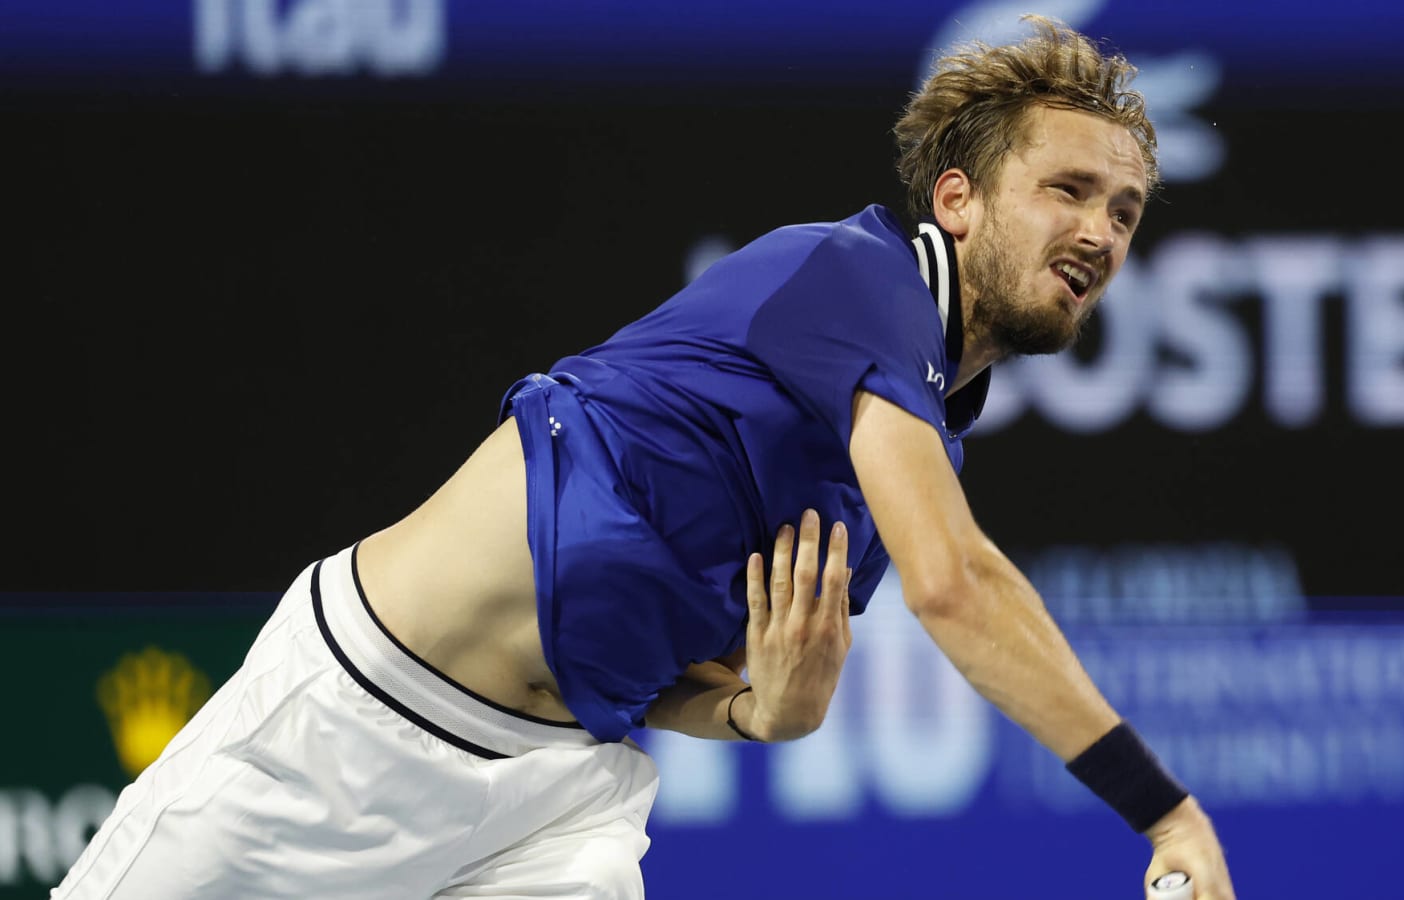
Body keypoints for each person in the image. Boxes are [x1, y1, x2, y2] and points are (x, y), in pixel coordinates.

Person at [55, 13, 1236, 900]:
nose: (1098, 230)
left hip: (557, 801)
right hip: (349, 728)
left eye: (1126, 210)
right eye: (1067, 189)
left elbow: (683, 677)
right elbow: (956, 584)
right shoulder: (853, 277)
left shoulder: (901, 464)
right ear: (958, 200)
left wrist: (757, 717)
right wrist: (1162, 811)